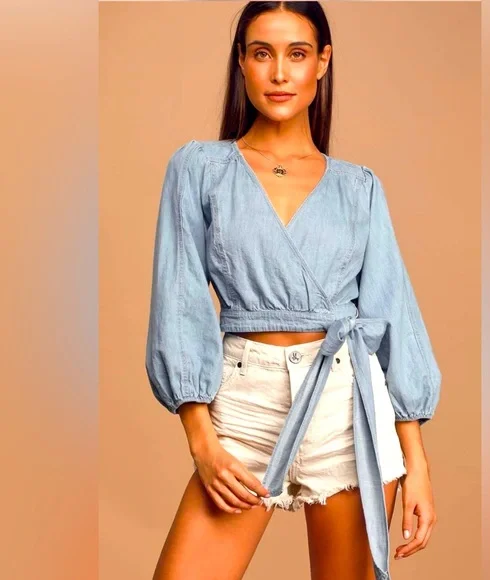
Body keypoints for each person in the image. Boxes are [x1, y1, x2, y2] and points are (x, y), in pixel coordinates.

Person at [145, 2, 441, 579]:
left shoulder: (359, 187)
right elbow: (178, 305)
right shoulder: (200, 169)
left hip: (348, 409)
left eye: (297, 54)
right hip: (244, 403)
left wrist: (417, 463)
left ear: (322, 63)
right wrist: (202, 441)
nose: (280, 73)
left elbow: (393, 317)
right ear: (242, 62)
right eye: (263, 53)